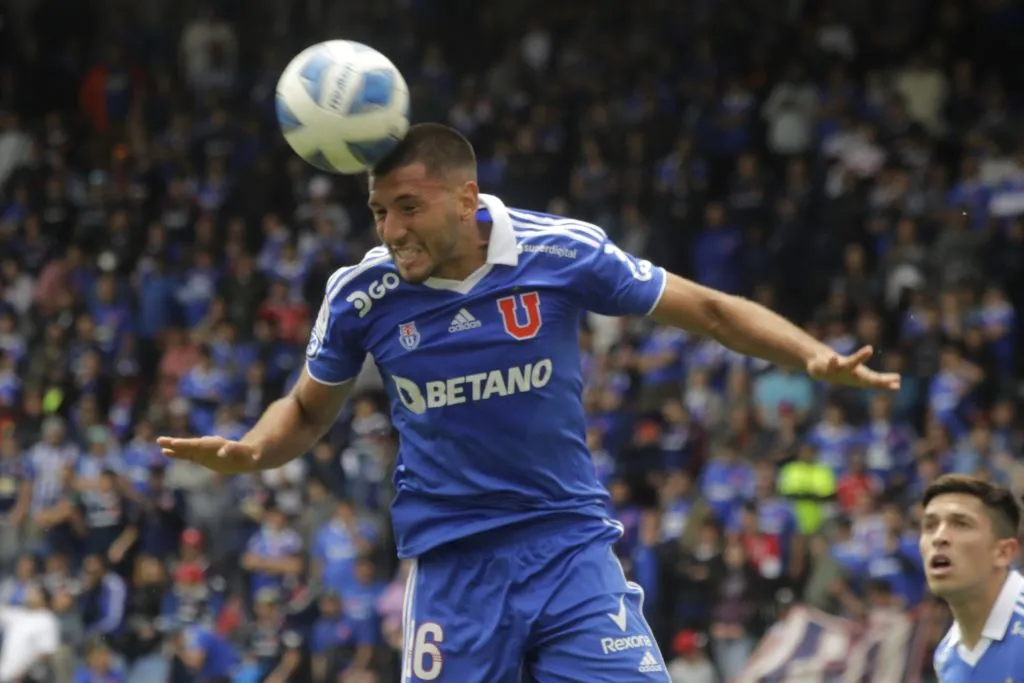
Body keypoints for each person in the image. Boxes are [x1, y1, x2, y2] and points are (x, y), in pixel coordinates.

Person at [159, 123, 900, 682]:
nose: (391, 230)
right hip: (453, 567)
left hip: (568, 547)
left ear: (465, 197)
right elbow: (308, 408)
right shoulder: (362, 293)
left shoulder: (561, 253)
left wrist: (809, 353)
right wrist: (253, 449)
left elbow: (706, 308)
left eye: (408, 207)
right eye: (380, 211)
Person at [921, 474, 1024, 681]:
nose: (939, 537)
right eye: (930, 526)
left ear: (1003, 552)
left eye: (961, 524)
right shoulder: (945, 657)